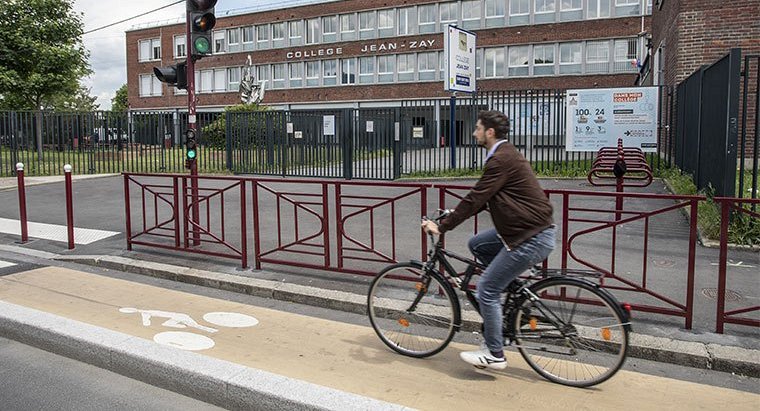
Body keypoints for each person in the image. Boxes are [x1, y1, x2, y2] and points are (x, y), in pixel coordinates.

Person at [421, 110, 555, 370]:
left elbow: (476, 197)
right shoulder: (505, 154)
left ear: (489, 132)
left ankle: (495, 353)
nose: (474, 133)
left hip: (529, 236)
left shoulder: (500, 159)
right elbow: (491, 197)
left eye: (478, 128)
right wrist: (452, 213)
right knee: (477, 245)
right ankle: (514, 297)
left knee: (487, 290)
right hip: (526, 229)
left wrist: (442, 226)